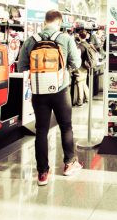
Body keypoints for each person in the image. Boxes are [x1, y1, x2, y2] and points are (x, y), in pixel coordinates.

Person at [17, 10, 82, 186]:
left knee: (41, 130)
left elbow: (21, 66)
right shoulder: (66, 38)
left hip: (39, 92)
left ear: (45, 21)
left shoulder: (31, 40)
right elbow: (77, 63)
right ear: (59, 21)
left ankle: (43, 173)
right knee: (66, 126)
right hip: (60, 90)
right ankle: (69, 164)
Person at [75, 29, 93, 106]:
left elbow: (77, 57)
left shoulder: (80, 46)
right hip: (86, 66)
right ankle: (88, 98)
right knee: (84, 83)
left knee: (79, 83)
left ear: (79, 36)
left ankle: (80, 102)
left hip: (80, 66)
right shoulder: (87, 44)